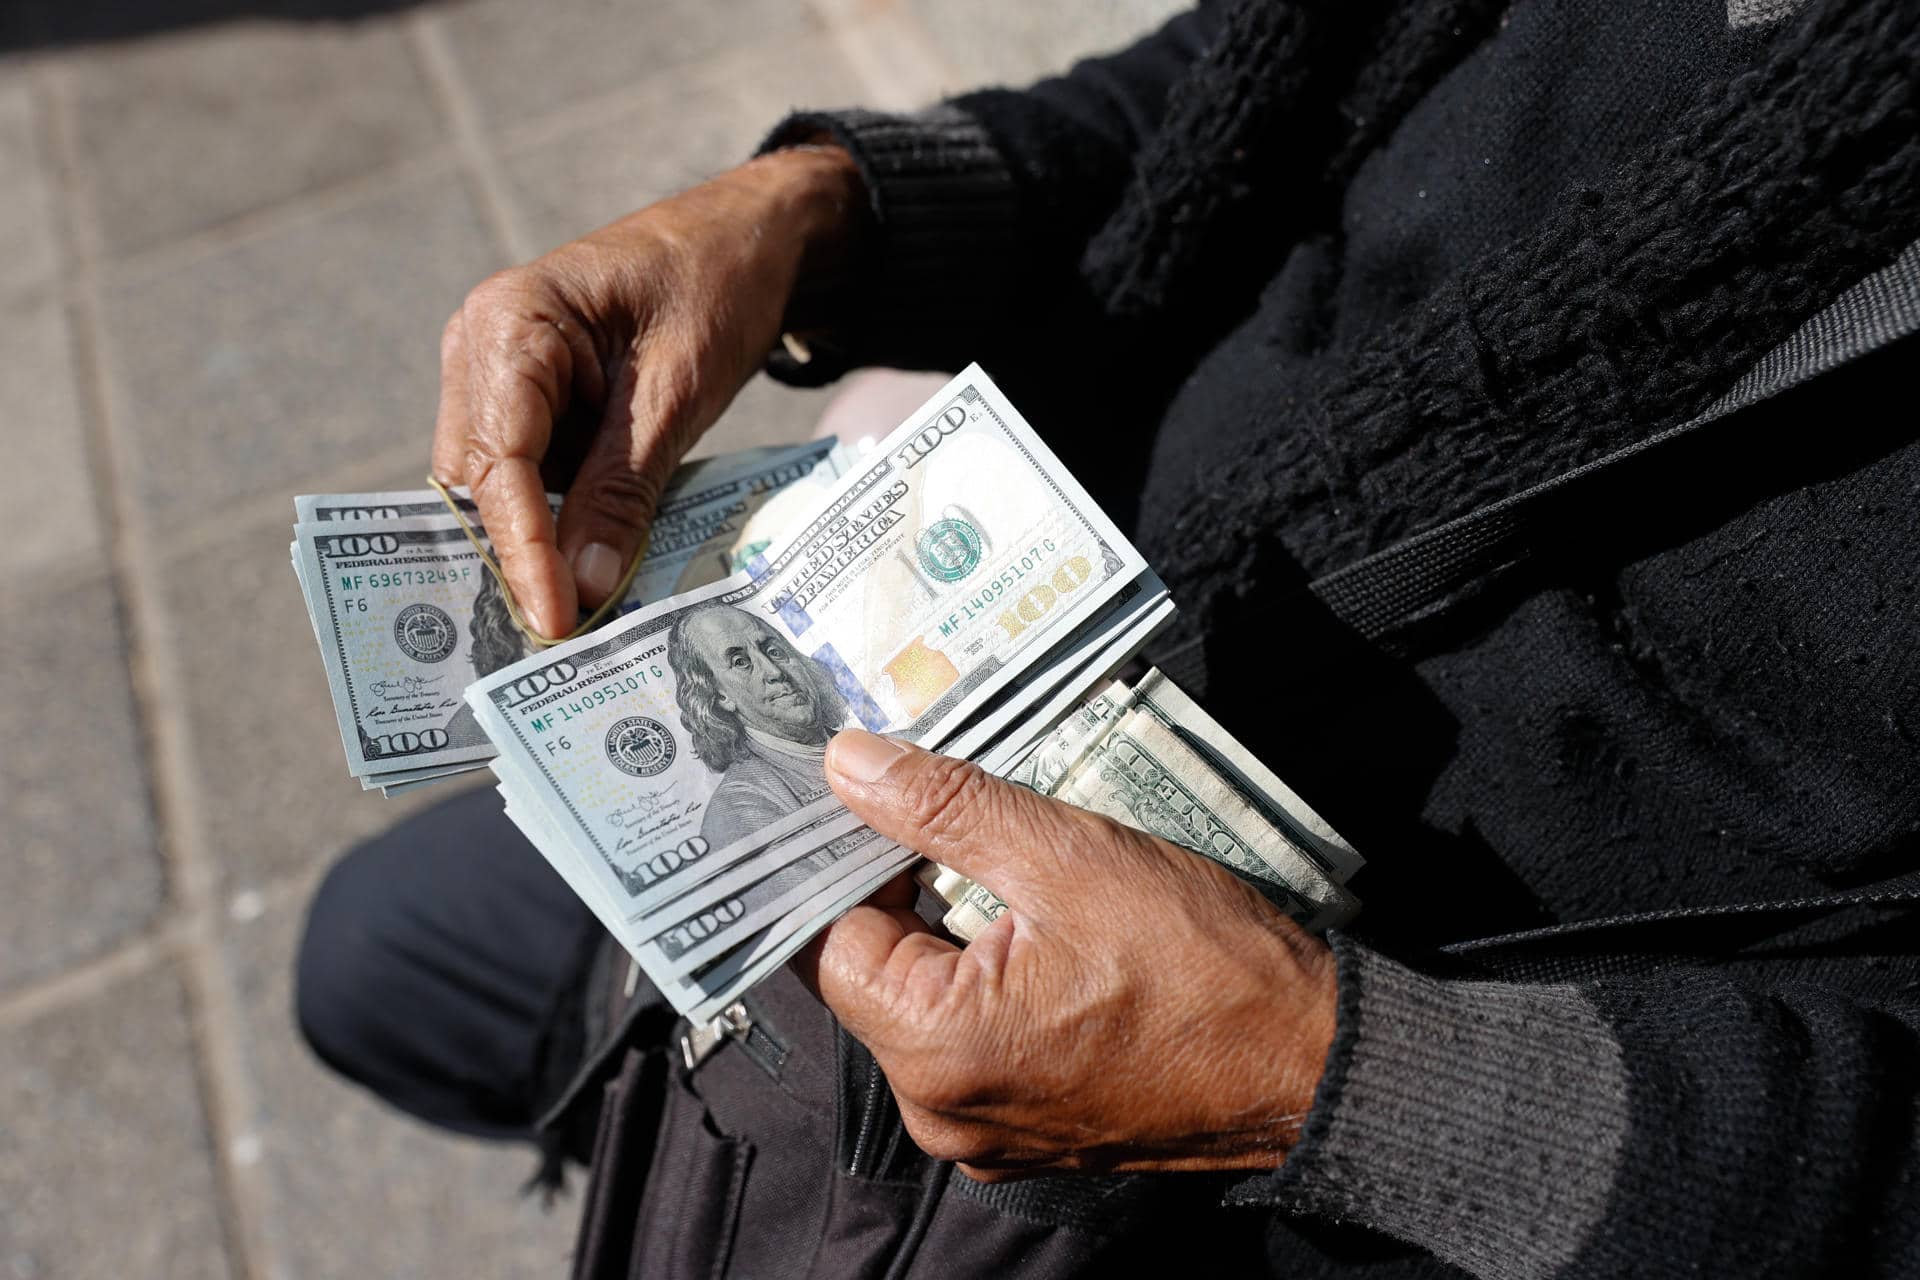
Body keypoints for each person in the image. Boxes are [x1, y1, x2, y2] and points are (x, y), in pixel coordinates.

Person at [298, 0, 1920, 1275]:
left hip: (1361, 1132)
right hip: (990, 700)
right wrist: (811, 217)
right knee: (380, 956)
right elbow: (1234, 92)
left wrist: (1351, 1092)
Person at [667, 602, 852, 848]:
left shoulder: (883, 742)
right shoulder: (742, 808)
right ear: (720, 695)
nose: (774, 671)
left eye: (774, 651)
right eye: (741, 662)